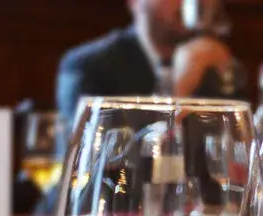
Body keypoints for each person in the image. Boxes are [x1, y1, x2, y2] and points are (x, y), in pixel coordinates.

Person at [55, 0, 245, 128]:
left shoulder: (215, 65)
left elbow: (236, 153)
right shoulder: (87, 67)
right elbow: (98, 160)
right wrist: (180, 89)